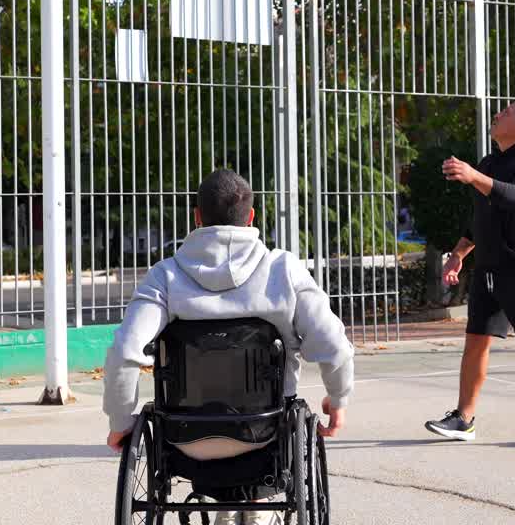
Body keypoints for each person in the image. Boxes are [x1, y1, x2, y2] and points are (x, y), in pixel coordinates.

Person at [103, 168, 355, 524]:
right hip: (266, 435)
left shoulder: (165, 275)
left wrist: (120, 420)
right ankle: (252, 508)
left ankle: (224, 505)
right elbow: (334, 346)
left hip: (185, 438)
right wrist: (338, 399)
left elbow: (126, 350)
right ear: (251, 216)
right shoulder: (283, 270)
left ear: (197, 217)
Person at [423, 101, 515, 447]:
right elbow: (482, 219)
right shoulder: (492, 162)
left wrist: (474, 176)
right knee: (476, 339)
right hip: (489, 269)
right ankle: (464, 418)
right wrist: (459, 253)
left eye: (505, 112)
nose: (497, 114)